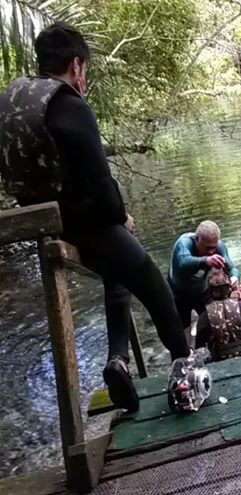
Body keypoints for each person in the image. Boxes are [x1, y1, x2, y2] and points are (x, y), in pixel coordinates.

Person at [0, 23, 199, 413]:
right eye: (85, 69)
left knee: (116, 271)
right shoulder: (70, 105)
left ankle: (118, 360)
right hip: (81, 221)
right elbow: (103, 185)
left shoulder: (16, 97)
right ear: (77, 66)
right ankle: (184, 366)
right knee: (149, 277)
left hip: (35, 221)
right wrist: (119, 217)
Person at [168, 221, 241, 345]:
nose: (211, 251)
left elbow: (232, 267)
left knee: (213, 325)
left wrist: (234, 278)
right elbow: (183, 262)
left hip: (201, 293)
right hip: (178, 294)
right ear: (197, 239)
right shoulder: (184, 243)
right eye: (207, 247)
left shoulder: (219, 247)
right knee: (183, 335)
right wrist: (206, 260)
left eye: (213, 247)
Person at [195, 267, 241, 363]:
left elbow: (199, 348)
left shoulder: (204, 317)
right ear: (229, 287)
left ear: (209, 290)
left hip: (219, 363)